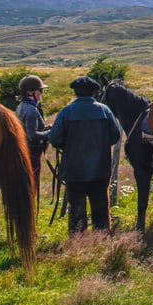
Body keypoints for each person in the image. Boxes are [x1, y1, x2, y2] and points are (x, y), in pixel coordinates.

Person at [48, 76, 121, 235]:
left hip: (75, 170)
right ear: (94, 92)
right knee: (100, 205)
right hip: (100, 168)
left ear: (75, 92)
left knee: (76, 207)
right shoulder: (104, 110)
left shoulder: (66, 112)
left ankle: (78, 241)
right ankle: (101, 238)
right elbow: (115, 135)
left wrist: (67, 146)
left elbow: (54, 138)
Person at [15, 75, 51, 186]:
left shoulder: (21, 106)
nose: (41, 93)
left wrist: (46, 128)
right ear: (31, 92)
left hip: (25, 150)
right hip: (32, 152)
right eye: (40, 90)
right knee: (32, 184)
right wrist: (51, 132)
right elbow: (33, 135)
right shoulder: (31, 110)